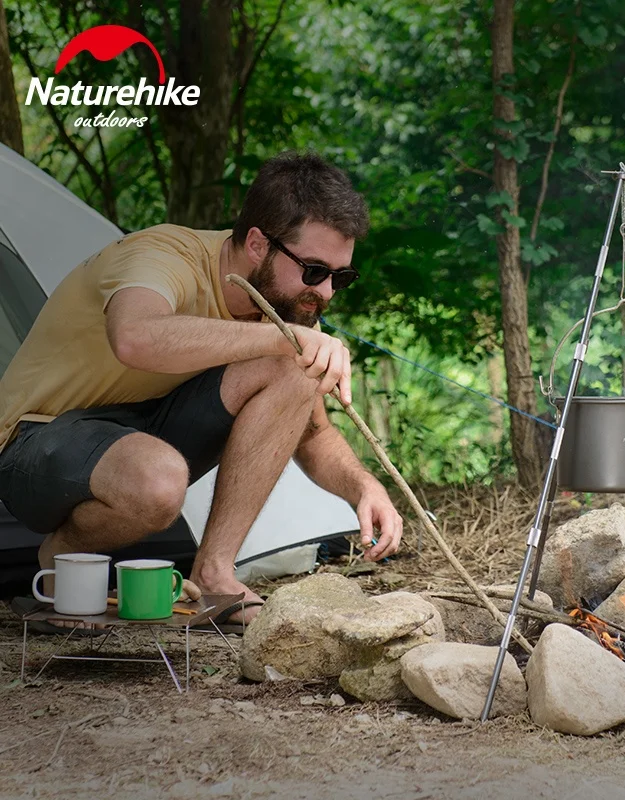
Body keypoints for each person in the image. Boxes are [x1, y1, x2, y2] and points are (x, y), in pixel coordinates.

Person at [0, 151, 403, 625]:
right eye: (315, 272)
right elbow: (134, 336)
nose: (328, 292)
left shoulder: (277, 305)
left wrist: (362, 488)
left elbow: (309, 432)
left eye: (342, 276)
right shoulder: (161, 254)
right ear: (257, 244)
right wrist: (282, 338)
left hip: (143, 434)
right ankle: (61, 557)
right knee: (158, 480)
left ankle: (214, 574)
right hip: (33, 440)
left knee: (291, 372)